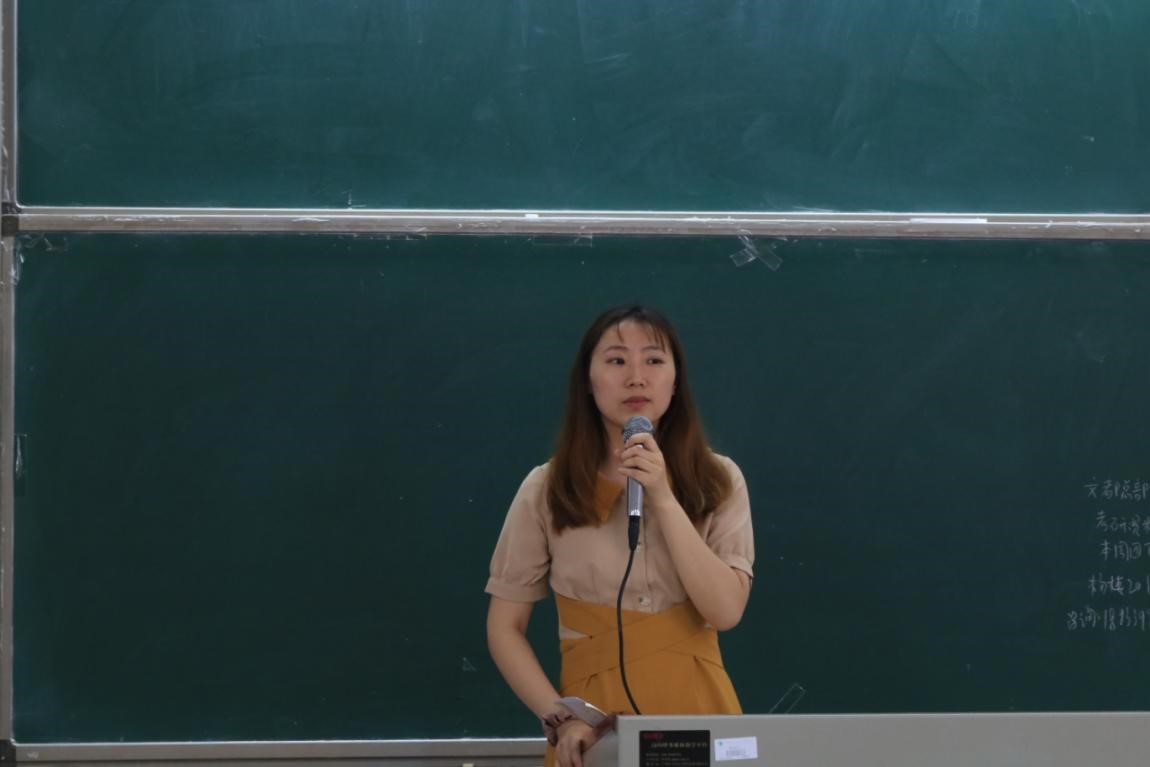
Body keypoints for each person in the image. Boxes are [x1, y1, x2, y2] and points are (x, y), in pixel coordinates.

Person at [485, 305, 755, 767]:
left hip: (700, 714)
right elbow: (504, 628)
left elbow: (725, 611)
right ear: (588, 382)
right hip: (591, 729)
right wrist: (561, 719)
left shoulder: (719, 479)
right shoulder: (547, 488)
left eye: (653, 360)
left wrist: (663, 496)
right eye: (616, 360)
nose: (636, 378)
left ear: (675, 380)